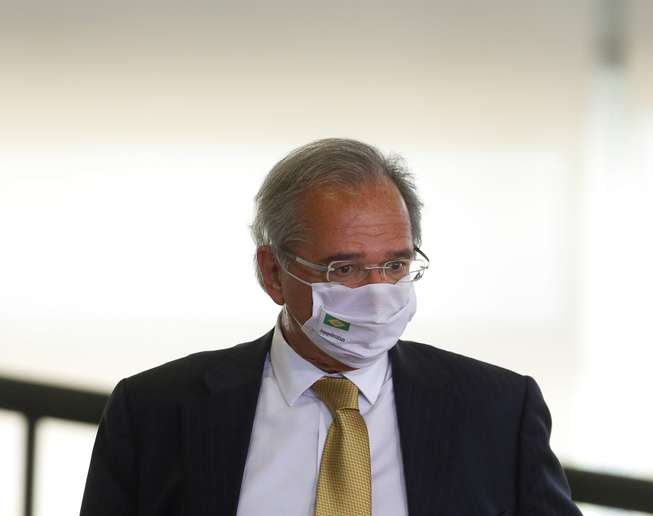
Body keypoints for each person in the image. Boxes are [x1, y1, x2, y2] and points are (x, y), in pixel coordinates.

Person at [80, 138, 582, 516]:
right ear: (274, 272)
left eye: (395, 265)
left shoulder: (497, 410)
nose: (377, 291)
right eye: (344, 269)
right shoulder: (155, 411)